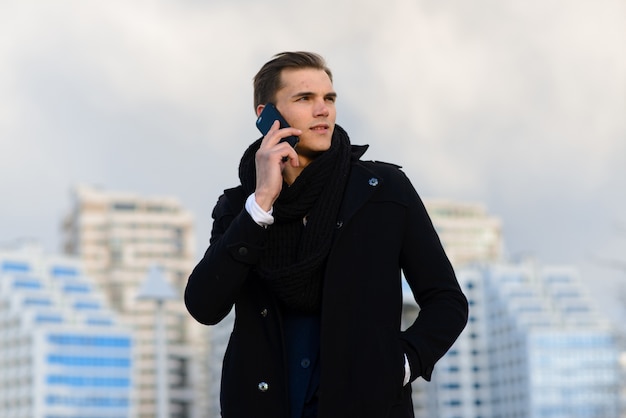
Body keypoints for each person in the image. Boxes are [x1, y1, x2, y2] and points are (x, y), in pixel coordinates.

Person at [184, 51, 468, 418]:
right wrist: (261, 205)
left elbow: (447, 300)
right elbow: (204, 306)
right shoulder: (241, 206)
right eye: (305, 99)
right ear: (265, 116)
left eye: (329, 99)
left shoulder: (382, 190)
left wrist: (401, 364)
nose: (323, 110)